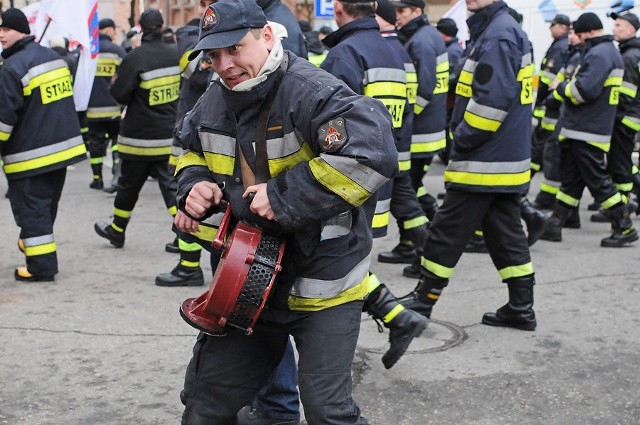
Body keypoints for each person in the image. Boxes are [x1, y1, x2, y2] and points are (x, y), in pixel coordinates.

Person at [176, 0, 397, 423]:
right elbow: (187, 148)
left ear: (266, 37)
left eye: (235, 49)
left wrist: (282, 197)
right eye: (213, 56)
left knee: (328, 411)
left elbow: (372, 155)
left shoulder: (311, 91)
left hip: (323, 283)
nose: (224, 65)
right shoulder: (213, 98)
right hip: (247, 284)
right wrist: (193, 186)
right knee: (206, 404)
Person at [399, 0, 538, 331]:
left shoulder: (498, 35)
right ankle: (521, 306)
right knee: (506, 234)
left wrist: (462, 137)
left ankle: (424, 298)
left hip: (484, 159)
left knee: (446, 231)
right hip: (502, 157)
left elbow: (492, 101)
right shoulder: (498, 30)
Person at [0, 8, 86, 282]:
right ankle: (33, 242)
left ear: (23, 30)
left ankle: (41, 268)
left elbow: (4, 120)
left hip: (30, 155)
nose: (1, 34)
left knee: (33, 211)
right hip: (61, 152)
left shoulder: (12, 68)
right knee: (44, 208)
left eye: (6, 29)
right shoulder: (54, 58)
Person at [540, 12, 638, 247]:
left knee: (599, 183)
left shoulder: (600, 54)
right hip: (584, 128)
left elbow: (583, 91)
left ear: (589, 32)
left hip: (587, 128)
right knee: (572, 181)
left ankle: (624, 227)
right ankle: (555, 225)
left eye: (578, 34)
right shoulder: (604, 52)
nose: (576, 38)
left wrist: (560, 87)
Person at [94, 9, 181, 250]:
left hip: (138, 139)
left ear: (140, 28)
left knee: (128, 186)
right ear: (163, 26)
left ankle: (117, 230)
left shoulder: (136, 58)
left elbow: (120, 94)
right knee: (170, 188)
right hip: (167, 136)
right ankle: (183, 235)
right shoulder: (175, 55)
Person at [589, 12, 640, 222]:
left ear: (631, 30)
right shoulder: (631, 52)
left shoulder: (629, 56)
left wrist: (609, 117)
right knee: (622, 164)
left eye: (619, 25)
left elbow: (624, 97)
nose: (614, 29)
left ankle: (622, 208)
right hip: (629, 119)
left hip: (624, 119)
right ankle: (622, 203)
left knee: (620, 166)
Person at [530, 14, 570, 208]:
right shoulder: (560, 46)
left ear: (561, 27)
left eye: (552, 25)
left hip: (552, 108)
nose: (550, 28)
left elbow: (549, 81)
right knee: (541, 149)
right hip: (548, 107)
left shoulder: (561, 48)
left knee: (545, 150)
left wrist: (543, 102)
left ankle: (544, 198)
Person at [85, 18, 126, 192]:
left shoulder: (87, 52)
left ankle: (97, 178)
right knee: (116, 141)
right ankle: (116, 173)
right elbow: (126, 77)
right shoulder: (117, 51)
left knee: (95, 143)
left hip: (92, 109)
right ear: (108, 31)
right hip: (114, 108)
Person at [435, 17, 464, 166]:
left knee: (448, 129)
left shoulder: (453, 51)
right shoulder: (452, 48)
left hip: (451, 100)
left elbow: (452, 77)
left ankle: (449, 157)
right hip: (450, 99)